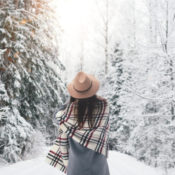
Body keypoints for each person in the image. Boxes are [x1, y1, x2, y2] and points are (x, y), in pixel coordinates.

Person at [45, 71, 110, 175]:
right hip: (99, 167)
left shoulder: (67, 113)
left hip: (76, 167)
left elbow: (55, 117)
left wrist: (69, 103)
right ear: (92, 90)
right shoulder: (104, 107)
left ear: (75, 93)